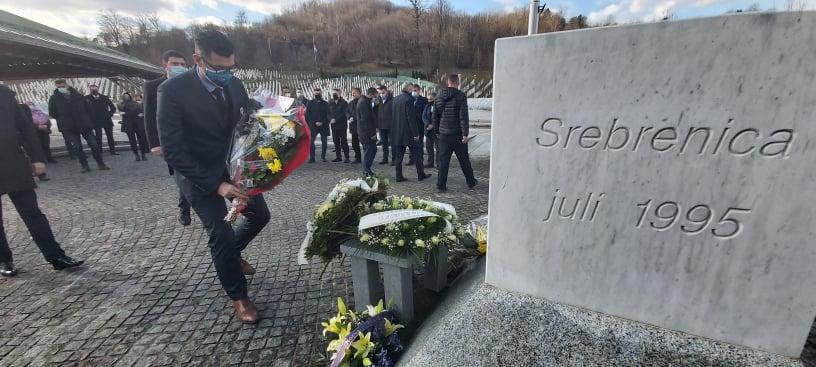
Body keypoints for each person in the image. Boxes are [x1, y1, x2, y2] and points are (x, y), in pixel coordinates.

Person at [158, 29, 268, 324]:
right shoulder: (172, 91)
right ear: (198, 60)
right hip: (199, 175)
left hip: (235, 168)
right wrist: (217, 185)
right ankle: (239, 297)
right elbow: (173, 151)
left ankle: (234, 255)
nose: (226, 75)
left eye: (231, 68)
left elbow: (246, 119)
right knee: (220, 233)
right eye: (219, 69)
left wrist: (276, 115)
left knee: (260, 215)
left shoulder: (234, 83)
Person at [0, 85, 84, 277]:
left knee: (33, 214)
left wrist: (37, 157)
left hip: (13, 163)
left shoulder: (4, 94)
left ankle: (56, 256)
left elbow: (25, 127)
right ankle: (4, 259)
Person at [144, 50, 191, 226]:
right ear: (165, 65)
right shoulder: (153, 86)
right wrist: (154, 143)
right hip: (170, 140)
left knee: (189, 173)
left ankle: (196, 207)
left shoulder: (190, 85)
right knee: (182, 174)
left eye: (182, 64)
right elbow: (149, 116)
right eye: (174, 64)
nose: (179, 67)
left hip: (190, 137)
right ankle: (184, 209)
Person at [48, 79, 110, 173]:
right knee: (77, 147)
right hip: (69, 127)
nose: (61, 88)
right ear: (56, 87)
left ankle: (101, 163)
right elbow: (52, 112)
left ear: (66, 85)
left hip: (84, 124)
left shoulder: (78, 96)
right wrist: (63, 119)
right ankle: (84, 166)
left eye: (63, 86)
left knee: (94, 144)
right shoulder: (54, 98)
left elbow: (89, 109)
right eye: (59, 87)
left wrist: (88, 120)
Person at [434, 74, 477, 192]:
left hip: (443, 135)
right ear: (457, 83)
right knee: (464, 160)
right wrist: (465, 134)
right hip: (457, 135)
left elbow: (435, 117)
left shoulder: (438, 96)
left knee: (443, 162)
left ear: (448, 82)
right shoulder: (460, 96)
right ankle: (471, 182)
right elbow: (463, 116)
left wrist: (437, 132)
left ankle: (441, 185)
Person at [391, 84, 430, 182]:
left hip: (398, 131)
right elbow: (411, 118)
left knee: (399, 156)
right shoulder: (409, 99)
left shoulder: (395, 99)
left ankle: (398, 176)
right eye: (412, 89)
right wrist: (416, 133)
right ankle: (421, 175)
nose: (413, 91)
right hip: (409, 133)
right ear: (408, 89)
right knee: (417, 154)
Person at [85, 84, 119, 156]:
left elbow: (113, 108)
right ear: (90, 90)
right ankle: (99, 152)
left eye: (95, 89)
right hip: (95, 120)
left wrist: (109, 114)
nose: (94, 91)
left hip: (106, 120)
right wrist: (90, 118)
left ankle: (112, 151)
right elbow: (85, 110)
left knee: (110, 136)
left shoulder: (105, 97)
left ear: (98, 89)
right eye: (92, 89)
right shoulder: (87, 98)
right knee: (98, 137)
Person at [118, 92, 149, 161]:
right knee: (132, 141)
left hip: (136, 123)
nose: (127, 97)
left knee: (141, 140)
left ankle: (143, 154)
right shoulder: (121, 104)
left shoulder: (135, 103)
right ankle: (137, 155)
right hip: (129, 124)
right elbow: (135, 112)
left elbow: (138, 111)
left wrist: (126, 113)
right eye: (125, 96)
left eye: (127, 96)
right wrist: (133, 113)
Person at [357, 87, 379, 177]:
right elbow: (365, 120)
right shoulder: (364, 103)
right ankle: (366, 171)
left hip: (366, 132)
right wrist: (372, 134)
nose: (376, 97)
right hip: (366, 133)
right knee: (368, 151)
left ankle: (368, 169)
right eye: (375, 95)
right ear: (372, 94)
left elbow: (371, 115)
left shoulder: (366, 101)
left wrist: (376, 106)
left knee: (373, 150)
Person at [306, 88, 331, 163]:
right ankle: (312, 157)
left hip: (324, 125)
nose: (317, 94)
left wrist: (322, 122)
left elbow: (328, 114)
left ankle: (323, 157)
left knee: (324, 142)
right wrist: (314, 122)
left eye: (319, 93)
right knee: (311, 141)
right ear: (313, 94)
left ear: (321, 94)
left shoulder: (325, 103)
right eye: (316, 93)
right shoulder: (310, 103)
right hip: (313, 126)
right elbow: (308, 115)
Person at [407, 83, 428, 167]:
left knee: (419, 143)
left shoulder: (424, 100)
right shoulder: (409, 99)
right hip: (411, 125)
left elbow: (425, 112)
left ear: (419, 91)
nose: (414, 92)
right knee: (411, 143)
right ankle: (411, 159)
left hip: (420, 125)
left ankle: (420, 159)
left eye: (415, 91)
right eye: (412, 91)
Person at [329, 88, 350, 163]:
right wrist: (330, 119)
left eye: (336, 93)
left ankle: (347, 157)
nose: (334, 95)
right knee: (336, 141)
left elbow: (344, 113)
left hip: (342, 125)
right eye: (333, 93)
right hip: (333, 125)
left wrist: (335, 119)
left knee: (343, 141)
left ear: (340, 94)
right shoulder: (330, 102)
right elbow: (327, 112)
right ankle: (338, 157)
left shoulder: (344, 103)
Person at [376, 85, 394, 165]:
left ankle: (394, 159)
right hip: (381, 125)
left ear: (386, 91)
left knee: (393, 143)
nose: (381, 95)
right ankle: (385, 158)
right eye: (380, 93)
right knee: (384, 143)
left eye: (383, 93)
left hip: (391, 126)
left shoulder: (392, 100)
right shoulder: (377, 100)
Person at [422, 92, 438, 168]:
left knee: (438, 148)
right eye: (428, 99)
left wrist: (433, 125)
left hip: (436, 130)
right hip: (428, 130)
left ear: (435, 98)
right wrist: (428, 124)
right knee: (429, 147)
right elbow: (424, 116)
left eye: (430, 99)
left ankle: (439, 163)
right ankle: (430, 162)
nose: (429, 100)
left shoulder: (438, 105)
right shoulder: (427, 106)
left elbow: (439, 117)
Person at [346, 88, 362, 163]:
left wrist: (354, 118)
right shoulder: (351, 103)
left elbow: (361, 113)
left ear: (359, 93)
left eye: (355, 93)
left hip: (360, 126)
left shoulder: (362, 102)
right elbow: (347, 112)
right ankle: (357, 158)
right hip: (353, 126)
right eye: (352, 93)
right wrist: (349, 117)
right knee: (354, 143)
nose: (353, 94)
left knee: (364, 143)